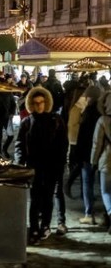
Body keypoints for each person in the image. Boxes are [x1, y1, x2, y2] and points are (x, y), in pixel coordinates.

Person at [15, 86, 69, 244]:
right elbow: (19, 144)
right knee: (35, 199)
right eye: (36, 102)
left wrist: (61, 163)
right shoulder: (27, 122)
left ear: (46, 103)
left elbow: (62, 144)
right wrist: (20, 164)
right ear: (32, 103)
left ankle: (45, 225)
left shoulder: (56, 120)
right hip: (34, 166)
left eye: (42, 102)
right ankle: (34, 229)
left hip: (52, 166)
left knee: (48, 198)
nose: (39, 105)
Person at [69, 85, 102, 224]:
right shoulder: (102, 113)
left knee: (87, 183)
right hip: (101, 155)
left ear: (89, 98)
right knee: (101, 184)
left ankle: (89, 214)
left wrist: (78, 155)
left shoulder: (87, 113)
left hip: (87, 154)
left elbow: (82, 136)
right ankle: (105, 214)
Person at [91, 90, 111, 234]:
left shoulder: (103, 120)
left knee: (105, 191)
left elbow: (97, 143)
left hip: (107, 159)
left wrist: (93, 161)